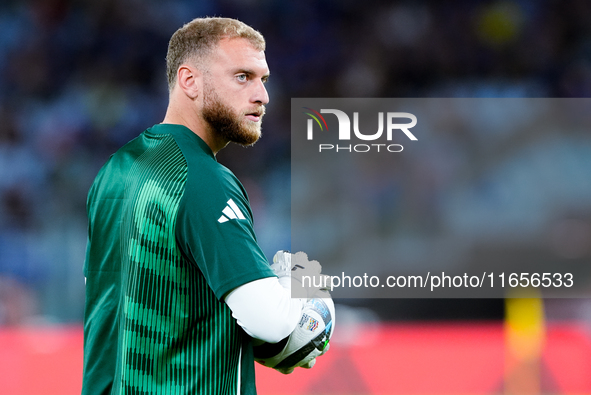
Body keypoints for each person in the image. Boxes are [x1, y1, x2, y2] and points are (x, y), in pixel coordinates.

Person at [82, 17, 307, 395]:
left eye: (263, 80)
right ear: (190, 81)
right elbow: (273, 323)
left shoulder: (114, 170)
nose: (262, 96)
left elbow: (109, 297)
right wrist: (306, 295)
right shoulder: (203, 179)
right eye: (242, 77)